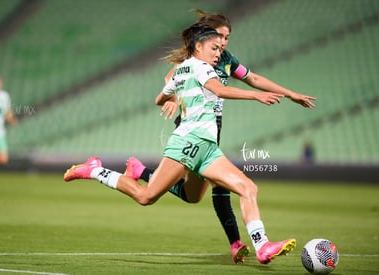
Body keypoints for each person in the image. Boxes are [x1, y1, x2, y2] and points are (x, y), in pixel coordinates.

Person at [64, 23, 298, 264]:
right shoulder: (200, 67)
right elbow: (217, 89)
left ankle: (262, 246)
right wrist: (256, 95)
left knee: (243, 189)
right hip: (188, 143)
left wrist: (176, 97)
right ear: (198, 47)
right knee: (146, 197)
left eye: (220, 49)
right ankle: (94, 170)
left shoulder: (182, 70)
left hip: (208, 148)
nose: (218, 53)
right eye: (214, 48)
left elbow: (159, 98)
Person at [124, 10, 316, 263]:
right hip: (193, 128)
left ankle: (144, 172)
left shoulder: (225, 59)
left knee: (193, 194)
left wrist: (290, 93)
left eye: (227, 38)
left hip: (213, 127)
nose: (224, 43)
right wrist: (172, 99)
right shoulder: (197, 59)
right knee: (219, 185)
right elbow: (173, 80)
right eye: (220, 37)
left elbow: (254, 78)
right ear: (207, 36)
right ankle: (239, 243)